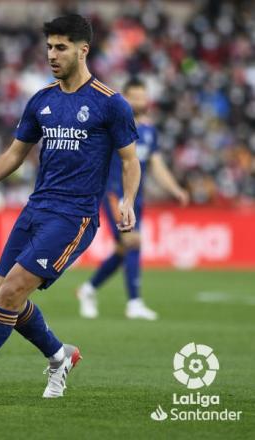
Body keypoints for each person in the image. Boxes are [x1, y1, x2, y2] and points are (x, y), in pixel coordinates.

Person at [0, 14, 141, 402]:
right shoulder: (41, 100)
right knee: (5, 294)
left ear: (83, 50)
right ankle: (58, 355)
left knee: (11, 292)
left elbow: (130, 161)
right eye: (49, 46)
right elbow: (15, 154)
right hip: (35, 209)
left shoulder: (110, 104)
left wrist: (128, 199)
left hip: (74, 216)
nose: (52, 54)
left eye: (60, 47)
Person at [77, 78, 189, 320]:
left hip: (135, 198)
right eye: (135, 96)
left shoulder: (149, 131)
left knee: (122, 249)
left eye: (142, 95)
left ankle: (88, 289)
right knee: (133, 242)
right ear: (125, 98)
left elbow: (157, 165)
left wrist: (175, 189)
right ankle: (134, 302)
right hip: (113, 193)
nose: (140, 100)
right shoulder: (113, 126)